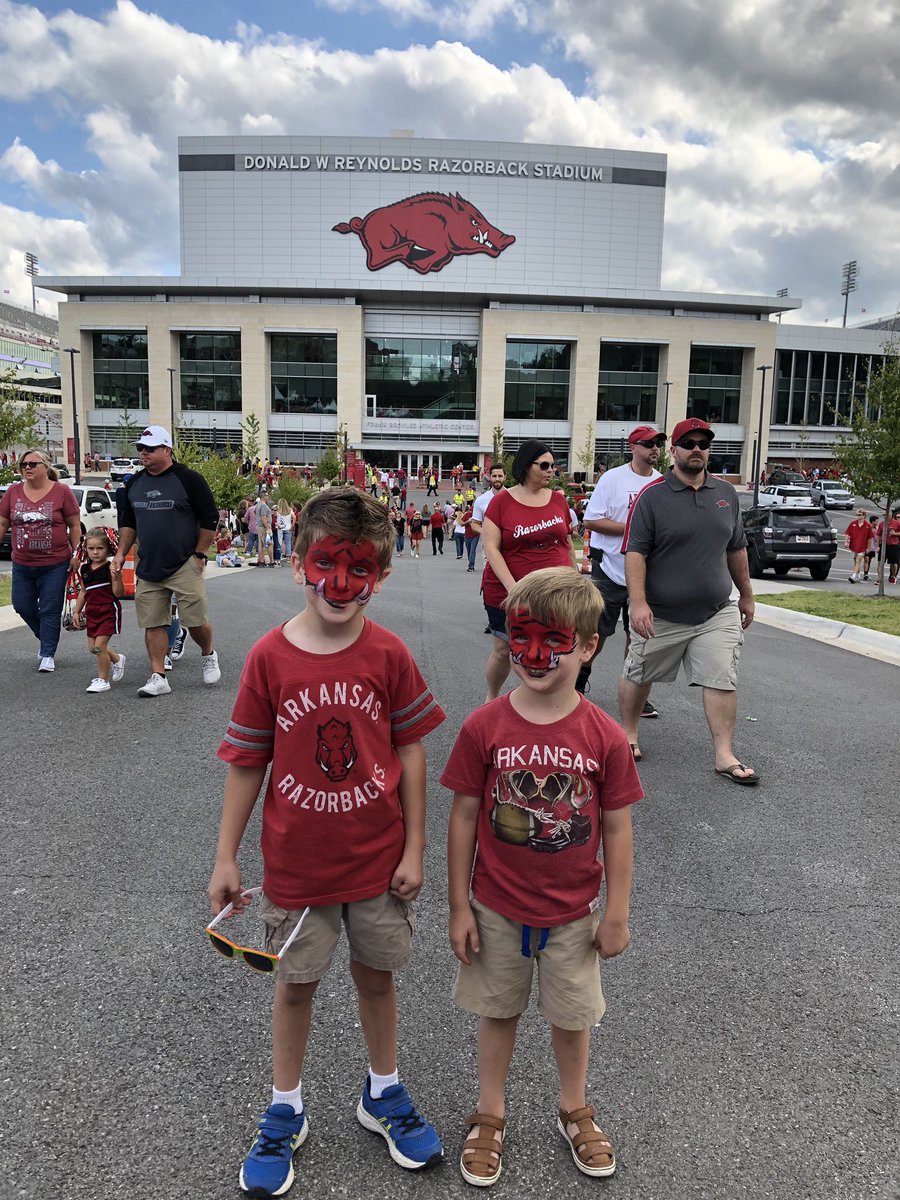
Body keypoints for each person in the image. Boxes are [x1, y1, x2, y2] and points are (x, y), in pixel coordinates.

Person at [208, 488, 445, 1197]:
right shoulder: (268, 660)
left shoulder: (390, 654)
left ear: (382, 575)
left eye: (359, 569)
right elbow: (248, 758)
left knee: (378, 977)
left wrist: (415, 851)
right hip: (296, 864)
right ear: (296, 564)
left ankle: (383, 1092)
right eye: (325, 565)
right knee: (295, 986)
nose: (340, 585)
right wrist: (226, 855)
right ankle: (285, 1108)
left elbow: (410, 753)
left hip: (377, 859)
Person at [443, 567, 641, 1186]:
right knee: (497, 1010)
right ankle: (491, 1111)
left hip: (575, 914)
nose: (532, 655)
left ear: (588, 647)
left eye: (552, 641)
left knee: (572, 1016)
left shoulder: (603, 735)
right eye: (519, 636)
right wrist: (458, 905)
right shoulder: (485, 726)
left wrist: (617, 911)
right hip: (496, 906)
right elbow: (465, 816)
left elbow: (616, 827)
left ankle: (574, 1107)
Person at [620, 418, 759, 782]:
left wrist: (746, 595)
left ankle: (724, 754)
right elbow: (635, 553)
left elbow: (736, 548)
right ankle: (629, 735)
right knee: (638, 673)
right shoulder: (652, 497)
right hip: (661, 614)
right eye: (688, 443)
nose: (696, 449)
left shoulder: (725, 495)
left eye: (703, 443)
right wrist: (638, 602)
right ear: (674, 450)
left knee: (721, 677)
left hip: (715, 612)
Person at [111, 425, 221, 698]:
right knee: (153, 622)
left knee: (195, 620)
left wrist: (199, 553)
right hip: (149, 565)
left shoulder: (189, 480)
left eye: (150, 448)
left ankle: (208, 654)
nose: (143, 453)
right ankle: (158, 675)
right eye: (141, 449)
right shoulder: (134, 483)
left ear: (167, 450)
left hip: (185, 561)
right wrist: (121, 552)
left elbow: (210, 518)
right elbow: (128, 522)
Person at [577, 426, 665, 727]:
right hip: (610, 567)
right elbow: (591, 519)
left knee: (638, 631)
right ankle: (580, 677)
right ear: (633, 447)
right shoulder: (612, 478)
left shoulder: (661, 483)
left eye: (659, 444)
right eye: (648, 444)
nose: (655, 449)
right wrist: (633, 529)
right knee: (598, 630)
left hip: (645, 570)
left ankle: (634, 690)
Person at [481, 441, 576, 702]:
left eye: (553, 466)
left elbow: (566, 543)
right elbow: (491, 548)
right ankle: (491, 698)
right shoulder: (502, 502)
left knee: (557, 647)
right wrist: (514, 589)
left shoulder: (558, 499)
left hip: (556, 592)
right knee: (504, 649)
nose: (550, 471)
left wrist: (576, 580)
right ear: (526, 465)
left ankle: (549, 698)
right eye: (544, 465)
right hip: (508, 592)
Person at [0, 448, 81, 672]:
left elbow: (74, 526)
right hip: (22, 564)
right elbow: (3, 524)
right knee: (22, 605)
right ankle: (46, 636)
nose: (27, 467)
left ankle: (47, 653)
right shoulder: (13, 492)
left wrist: (77, 554)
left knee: (49, 609)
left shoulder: (62, 492)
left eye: (33, 464)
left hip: (55, 563)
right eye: (24, 464)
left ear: (45, 467)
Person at [72, 527, 125, 692]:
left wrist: (117, 577)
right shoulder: (85, 570)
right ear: (85, 549)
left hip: (108, 611)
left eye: (100, 548)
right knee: (92, 648)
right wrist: (77, 611)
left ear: (108, 549)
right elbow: (83, 591)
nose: (95, 552)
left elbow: (118, 593)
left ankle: (103, 680)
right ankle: (117, 659)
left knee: (99, 647)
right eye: (91, 548)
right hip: (92, 612)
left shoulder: (111, 568)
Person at [845, 510, 872, 583]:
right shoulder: (853, 524)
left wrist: (869, 548)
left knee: (858, 560)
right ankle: (858, 574)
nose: (859, 516)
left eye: (860, 515)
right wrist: (846, 542)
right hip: (854, 546)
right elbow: (848, 533)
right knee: (855, 560)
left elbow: (870, 538)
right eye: (857, 515)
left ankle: (853, 576)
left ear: (864, 516)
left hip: (862, 546)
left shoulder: (867, 525)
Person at [875, 510, 900, 584]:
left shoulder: (896, 523)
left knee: (893, 563)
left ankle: (893, 576)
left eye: (886, 515)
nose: (884, 517)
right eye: (883, 516)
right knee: (880, 562)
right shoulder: (881, 524)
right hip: (884, 545)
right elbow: (879, 535)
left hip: (893, 545)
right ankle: (879, 579)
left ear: (890, 515)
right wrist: (878, 546)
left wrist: (895, 533)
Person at [254, 490, 275, 567]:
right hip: (264, 527)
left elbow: (254, 513)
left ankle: (261, 560)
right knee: (270, 543)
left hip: (259, 526)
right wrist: (268, 528)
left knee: (261, 544)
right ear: (264, 496)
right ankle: (272, 561)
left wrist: (257, 520)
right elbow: (263, 517)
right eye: (267, 495)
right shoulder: (263, 505)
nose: (268, 497)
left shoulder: (258, 505)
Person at [462, 503, 479, 571]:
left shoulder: (478, 516)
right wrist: (468, 521)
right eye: (472, 511)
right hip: (467, 535)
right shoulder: (467, 515)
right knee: (469, 550)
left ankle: (471, 565)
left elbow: (482, 524)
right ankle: (470, 562)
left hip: (475, 535)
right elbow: (462, 524)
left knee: (472, 550)